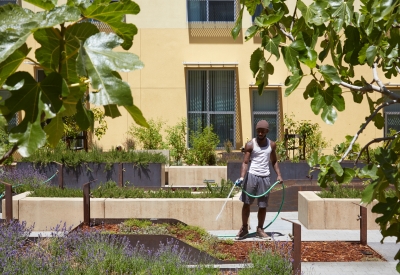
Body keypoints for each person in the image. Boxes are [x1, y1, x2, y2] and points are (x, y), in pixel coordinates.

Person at [235, 120, 283, 240]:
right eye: (258, 131)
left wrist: (279, 175)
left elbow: (274, 161)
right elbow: (245, 162)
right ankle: (244, 228)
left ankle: (260, 229)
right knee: (247, 203)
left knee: (263, 205)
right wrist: (242, 177)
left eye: (262, 131)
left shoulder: (271, 145)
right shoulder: (250, 144)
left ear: (267, 131)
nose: (260, 133)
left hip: (265, 177)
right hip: (252, 176)